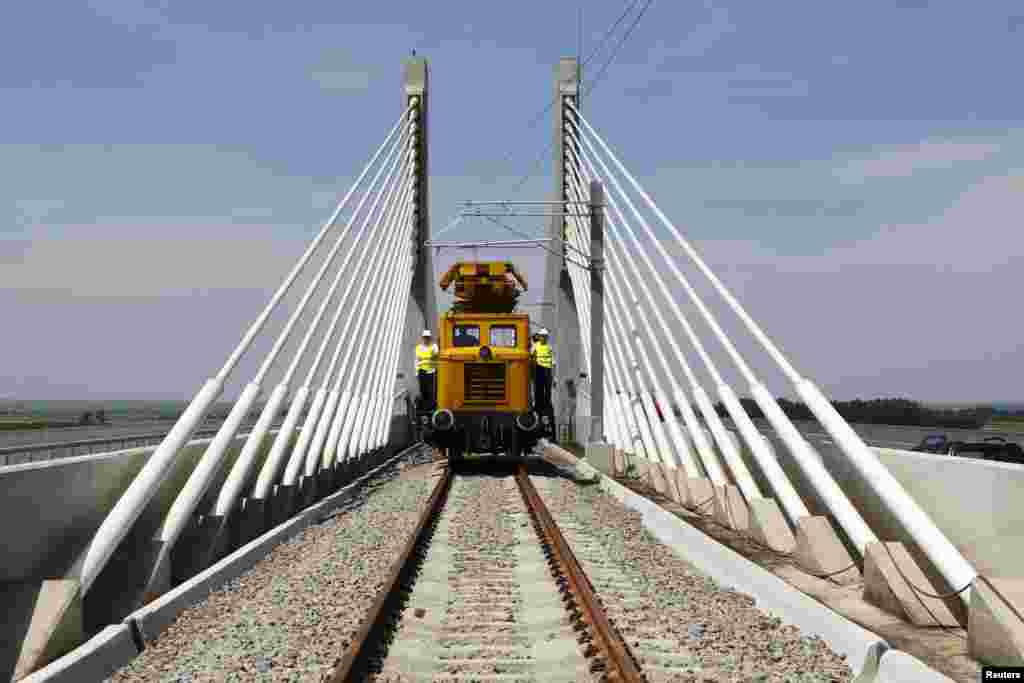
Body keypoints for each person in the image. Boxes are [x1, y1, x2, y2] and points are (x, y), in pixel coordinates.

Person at [529, 328, 554, 413]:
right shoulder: (545, 347)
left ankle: (538, 406)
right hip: (543, 372)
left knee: (537, 390)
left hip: (537, 372)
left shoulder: (534, 348)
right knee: (544, 391)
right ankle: (544, 406)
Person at [415, 330, 439, 410]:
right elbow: (417, 359)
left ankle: (432, 407)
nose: (426, 339)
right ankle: (425, 408)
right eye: (425, 337)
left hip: (431, 371)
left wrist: (429, 357)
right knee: (423, 389)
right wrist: (416, 372)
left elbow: (436, 355)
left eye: (428, 337)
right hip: (421, 371)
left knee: (431, 390)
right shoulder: (418, 347)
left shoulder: (434, 346)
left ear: (430, 338)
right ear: (422, 338)